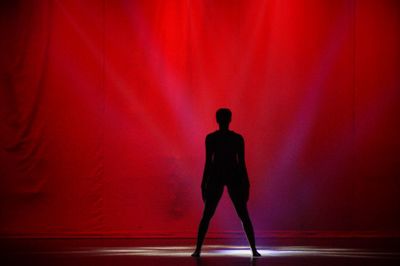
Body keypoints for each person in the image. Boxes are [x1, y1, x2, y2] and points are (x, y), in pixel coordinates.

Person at [192, 108, 260, 257]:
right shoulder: (235, 138)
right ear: (230, 119)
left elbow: (209, 163)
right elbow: (240, 163)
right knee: (240, 214)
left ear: (218, 120)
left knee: (210, 214)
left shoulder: (214, 138)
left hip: (222, 175)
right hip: (228, 175)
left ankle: (198, 250)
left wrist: (203, 182)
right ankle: (253, 250)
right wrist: (246, 183)